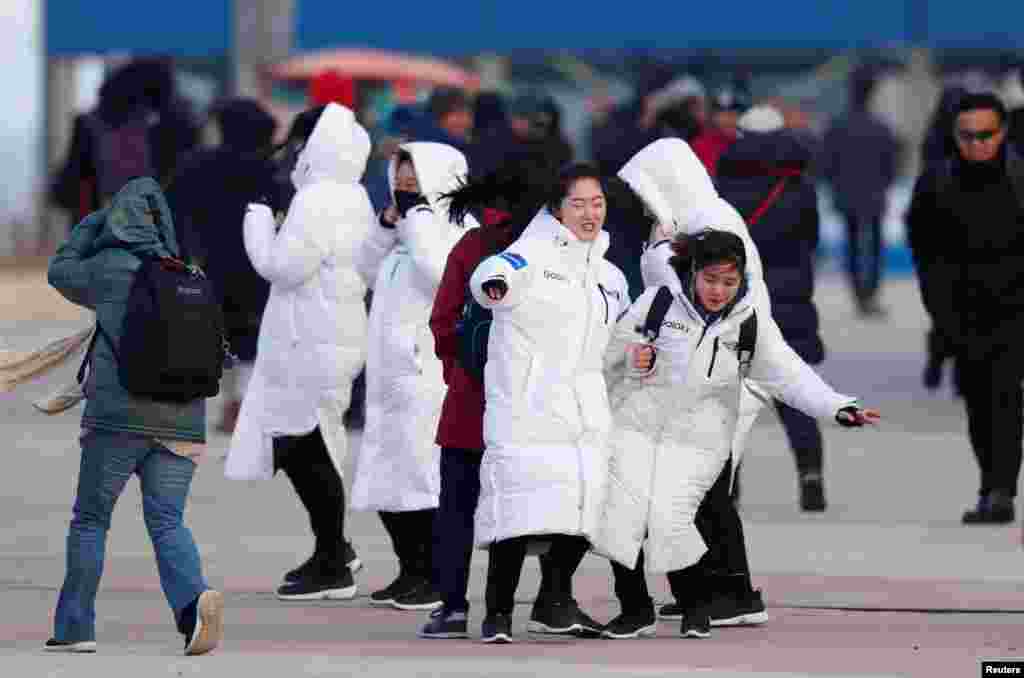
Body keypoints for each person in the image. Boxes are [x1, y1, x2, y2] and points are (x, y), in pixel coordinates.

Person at [595, 229, 880, 640]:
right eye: (710, 280)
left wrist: (837, 408)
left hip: (701, 438)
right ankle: (635, 609)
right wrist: (630, 357)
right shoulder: (656, 304)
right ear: (692, 273)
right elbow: (607, 361)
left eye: (729, 282)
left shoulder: (749, 324)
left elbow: (791, 376)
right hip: (638, 426)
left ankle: (695, 605)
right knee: (621, 516)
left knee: (670, 516)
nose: (718, 291)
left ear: (742, 280)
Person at [46, 177, 223, 656]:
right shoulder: (187, 271)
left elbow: (59, 270)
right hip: (184, 420)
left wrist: (91, 223)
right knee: (168, 521)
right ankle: (192, 606)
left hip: (116, 421)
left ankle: (75, 628)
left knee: (91, 520)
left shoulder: (107, 267)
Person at [468, 163, 631, 643]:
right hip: (528, 409)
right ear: (557, 209)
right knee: (517, 513)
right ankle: (497, 613)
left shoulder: (608, 275)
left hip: (584, 411)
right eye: (578, 203)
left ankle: (555, 602)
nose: (589, 213)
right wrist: (493, 286)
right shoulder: (529, 257)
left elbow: (617, 339)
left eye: (597, 203)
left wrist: (637, 350)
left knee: (581, 514)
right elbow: (495, 273)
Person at [615, 137, 771, 627]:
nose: (644, 206)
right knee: (704, 487)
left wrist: (660, 251)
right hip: (709, 370)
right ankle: (710, 588)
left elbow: (676, 289)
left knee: (708, 489)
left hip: (724, 371)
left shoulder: (711, 223)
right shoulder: (702, 218)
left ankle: (733, 592)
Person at [223, 103, 373, 598]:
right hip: (331, 334)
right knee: (310, 442)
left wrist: (258, 219)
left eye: (299, 142)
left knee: (303, 445)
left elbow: (280, 267)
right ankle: (333, 549)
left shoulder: (316, 200)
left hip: (310, 340)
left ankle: (333, 556)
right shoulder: (352, 195)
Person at [419, 154, 566, 639]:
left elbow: (442, 322)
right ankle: (547, 601)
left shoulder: (475, 245)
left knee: (458, 509)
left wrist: (461, 372)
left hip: (470, 402)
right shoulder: (556, 252)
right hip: (536, 403)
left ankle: (452, 605)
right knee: (540, 507)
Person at [350, 143, 472, 612]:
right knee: (388, 478)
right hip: (389, 378)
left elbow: (442, 277)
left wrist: (418, 219)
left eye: (414, 179)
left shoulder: (458, 230)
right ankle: (410, 569)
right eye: (399, 177)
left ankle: (437, 577)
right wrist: (385, 227)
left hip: (428, 376)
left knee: (424, 481)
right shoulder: (404, 231)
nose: (404, 186)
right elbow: (362, 270)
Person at [906, 93, 1024, 525]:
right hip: (962, 312)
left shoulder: (1019, 176)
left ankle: (1000, 490)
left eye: (986, 135)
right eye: (967, 136)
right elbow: (924, 250)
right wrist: (940, 308)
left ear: (1003, 132)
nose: (976, 143)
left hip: (1015, 310)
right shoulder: (935, 183)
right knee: (979, 403)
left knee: (1006, 398)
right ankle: (990, 482)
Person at [715, 105, 830, 511]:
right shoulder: (799, 187)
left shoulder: (720, 187)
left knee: (729, 403)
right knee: (795, 397)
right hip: (789, 302)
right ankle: (811, 479)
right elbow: (811, 241)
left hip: (735, 304)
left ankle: (730, 488)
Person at [164, 98, 286, 434]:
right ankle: (242, 402)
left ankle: (219, 403)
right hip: (259, 266)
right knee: (251, 337)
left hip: (208, 264)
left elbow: (169, 211)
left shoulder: (195, 164)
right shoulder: (270, 169)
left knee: (214, 337)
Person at [820, 65, 901, 317]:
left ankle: (860, 296)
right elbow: (891, 167)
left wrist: (836, 185)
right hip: (874, 195)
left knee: (853, 243)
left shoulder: (837, 126)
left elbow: (826, 164)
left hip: (846, 195)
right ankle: (870, 295)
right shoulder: (882, 128)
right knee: (875, 244)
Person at [691, 80, 752, 175]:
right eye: (721, 114)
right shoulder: (699, 145)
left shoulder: (753, 143)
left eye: (733, 113)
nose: (727, 119)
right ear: (712, 116)